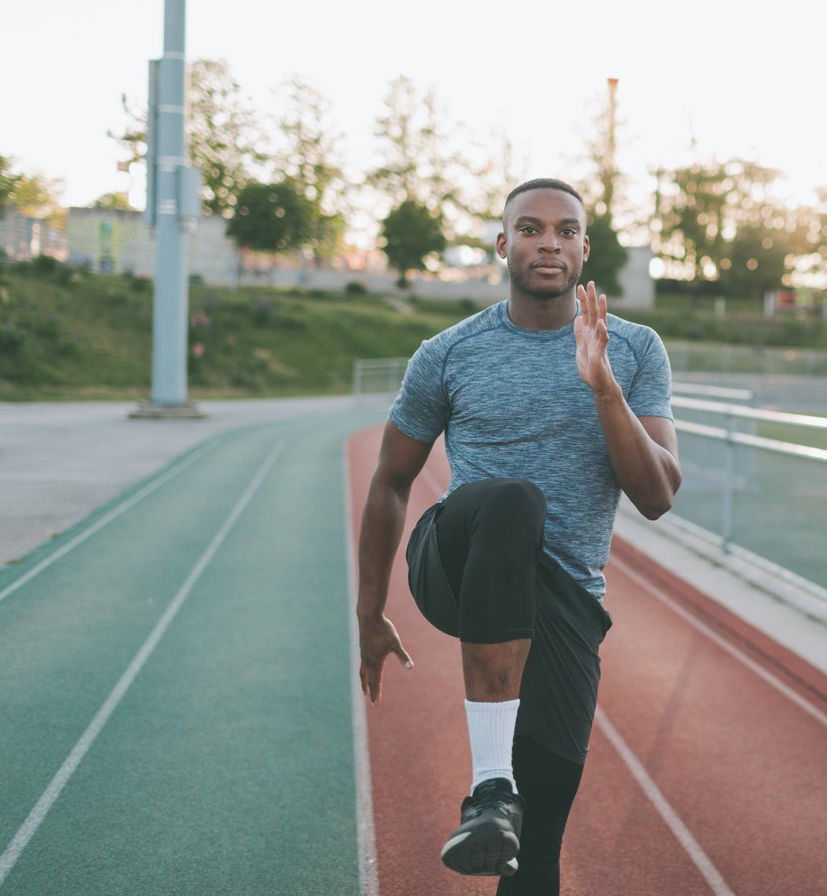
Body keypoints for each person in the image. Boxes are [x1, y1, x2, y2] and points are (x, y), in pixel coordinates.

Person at [354, 177, 681, 895]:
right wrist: (369, 613)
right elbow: (389, 482)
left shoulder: (632, 351)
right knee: (510, 502)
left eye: (565, 231)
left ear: (584, 249)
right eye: (530, 229)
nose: (548, 243)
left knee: (532, 855)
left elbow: (657, 495)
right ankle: (488, 785)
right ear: (503, 246)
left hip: (563, 602)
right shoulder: (448, 353)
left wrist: (603, 389)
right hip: (457, 562)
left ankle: (502, 814)